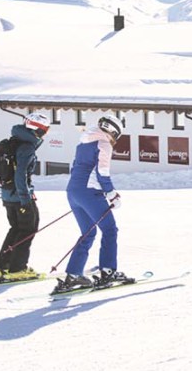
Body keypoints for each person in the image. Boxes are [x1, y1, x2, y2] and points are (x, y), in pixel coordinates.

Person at [54, 117, 129, 293]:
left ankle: (73, 276)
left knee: (88, 232)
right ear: (113, 131)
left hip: (73, 191)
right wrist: (111, 194)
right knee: (110, 230)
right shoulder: (104, 144)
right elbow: (102, 173)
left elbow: (78, 168)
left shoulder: (83, 143)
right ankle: (108, 272)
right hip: (89, 193)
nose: (115, 140)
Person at [0, 113, 49, 284]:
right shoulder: (26, 147)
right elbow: (20, 175)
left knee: (15, 229)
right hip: (20, 197)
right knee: (28, 230)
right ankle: (17, 269)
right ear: (38, 130)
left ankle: (2, 267)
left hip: (8, 195)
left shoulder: (12, 142)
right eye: (44, 131)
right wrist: (25, 200)